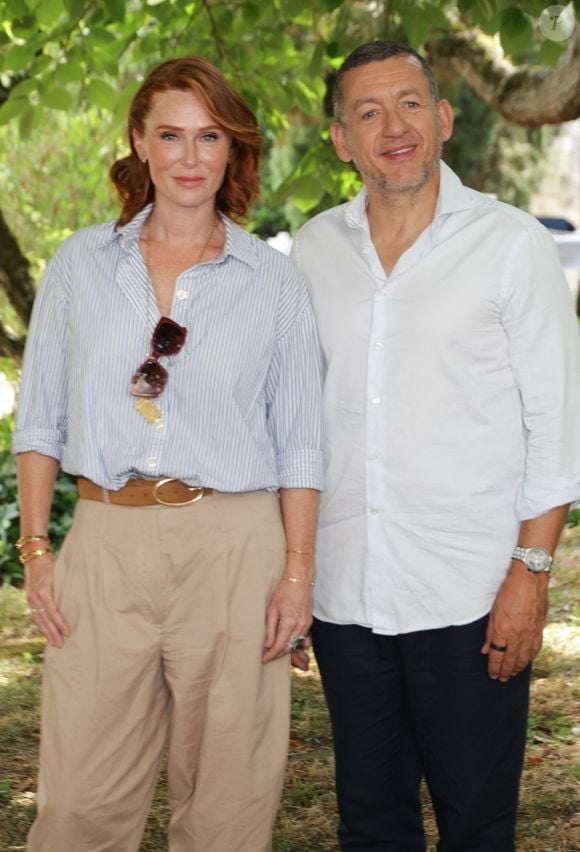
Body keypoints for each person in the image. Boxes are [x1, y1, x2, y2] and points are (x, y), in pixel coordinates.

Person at [14, 56, 324, 852]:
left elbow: (301, 442)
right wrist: (39, 548)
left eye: (209, 136)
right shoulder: (81, 266)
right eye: (171, 136)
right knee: (78, 805)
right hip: (107, 546)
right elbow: (40, 420)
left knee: (226, 807)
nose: (190, 157)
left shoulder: (274, 282)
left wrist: (296, 574)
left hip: (234, 546)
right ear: (140, 144)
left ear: (232, 151)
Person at [291, 40, 580, 852]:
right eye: (369, 111)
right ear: (342, 140)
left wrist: (530, 573)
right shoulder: (311, 254)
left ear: (445, 118)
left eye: (411, 104)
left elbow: (554, 426)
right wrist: (295, 573)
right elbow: (297, 429)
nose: (395, 127)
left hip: (473, 596)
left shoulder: (511, 244)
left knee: (478, 827)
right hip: (347, 596)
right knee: (370, 824)